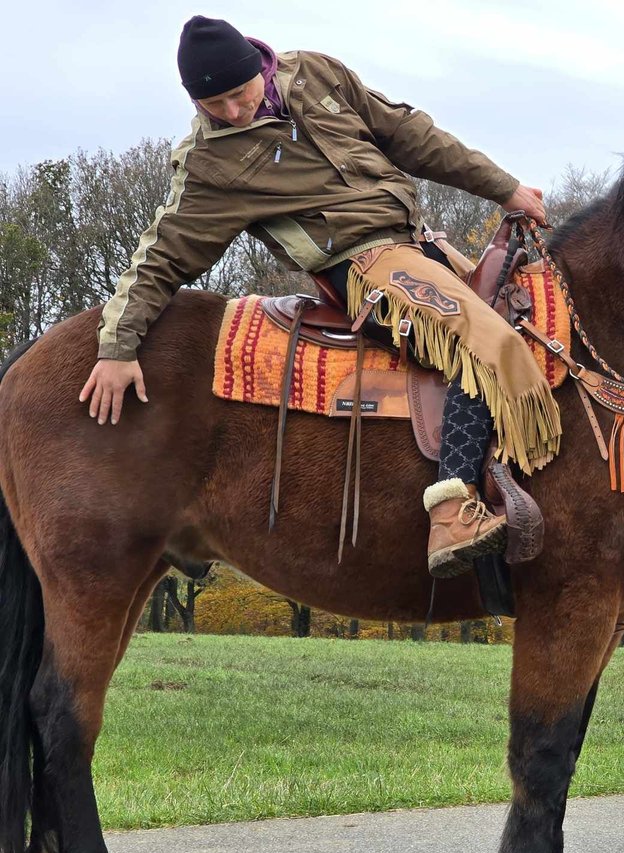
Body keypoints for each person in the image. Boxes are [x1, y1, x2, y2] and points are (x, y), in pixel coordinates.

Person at [78, 16, 561, 578]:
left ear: (260, 68)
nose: (232, 113)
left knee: (534, 315)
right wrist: (116, 347)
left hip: (422, 246)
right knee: (486, 342)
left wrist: (504, 187)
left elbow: (410, 134)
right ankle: (452, 512)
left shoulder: (316, 74)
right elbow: (160, 256)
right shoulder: (210, 165)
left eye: (238, 95)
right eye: (213, 105)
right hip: (362, 268)